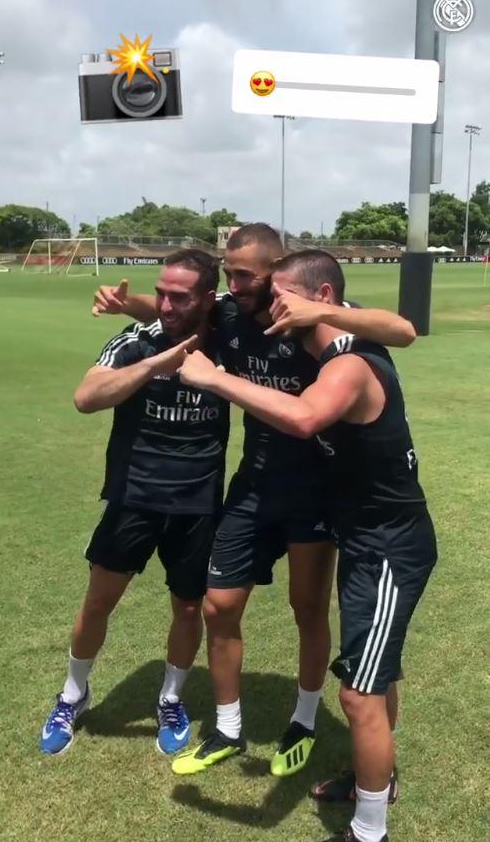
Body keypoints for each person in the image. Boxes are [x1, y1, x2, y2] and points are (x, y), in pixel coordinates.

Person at [93, 226, 416, 779]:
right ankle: (228, 725)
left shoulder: (309, 310)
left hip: (316, 487)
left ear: (273, 273)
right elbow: (187, 309)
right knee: (218, 604)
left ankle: (305, 719)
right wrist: (132, 303)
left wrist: (323, 317)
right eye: (229, 270)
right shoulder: (230, 313)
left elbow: (402, 329)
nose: (233, 282)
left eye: (244, 274)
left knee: (307, 609)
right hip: (253, 483)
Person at [177, 249, 436, 842]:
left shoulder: (347, 365)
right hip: (365, 539)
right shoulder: (323, 350)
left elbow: (303, 419)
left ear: (321, 301)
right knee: (375, 671)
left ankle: (370, 831)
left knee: (360, 693)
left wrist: (216, 379)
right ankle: (374, 777)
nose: (268, 305)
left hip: (390, 547)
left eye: (278, 295)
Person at [40, 249, 230, 757]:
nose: (166, 305)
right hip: (134, 496)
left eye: (180, 297)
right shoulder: (135, 341)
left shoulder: (230, 339)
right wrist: (154, 366)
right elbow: (86, 397)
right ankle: (73, 693)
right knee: (99, 601)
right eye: (161, 294)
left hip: (198, 502)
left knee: (189, 608)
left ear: (209, 299)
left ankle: (171, 698)